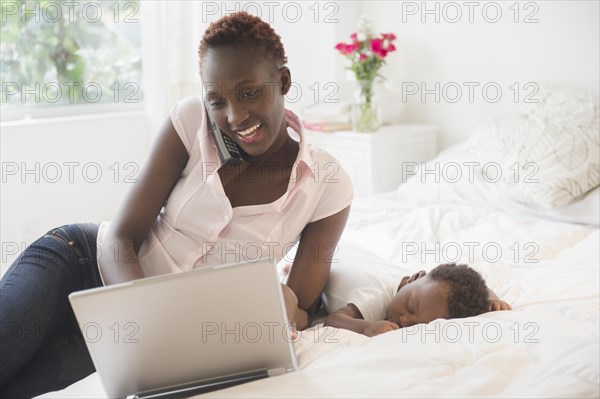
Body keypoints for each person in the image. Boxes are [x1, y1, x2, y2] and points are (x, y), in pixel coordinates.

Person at [0, 12, 353, 398]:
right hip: (82, 265)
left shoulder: (327, 185)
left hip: (148, 335)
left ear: (282, 81)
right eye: (217, 100)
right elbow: (121, 236)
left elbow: (295, 304)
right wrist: (149, 328)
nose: (234, 116)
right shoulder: (191, 121)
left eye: (249, 93)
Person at [324, 263, 511, 337]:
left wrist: (489, 297)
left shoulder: (425, 288)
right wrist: (365, 327)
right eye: (411, 306)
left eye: (413, 326)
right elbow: (333, 319)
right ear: (416, 276)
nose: (404, 320)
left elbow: (468, 283)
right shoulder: (377, 295)